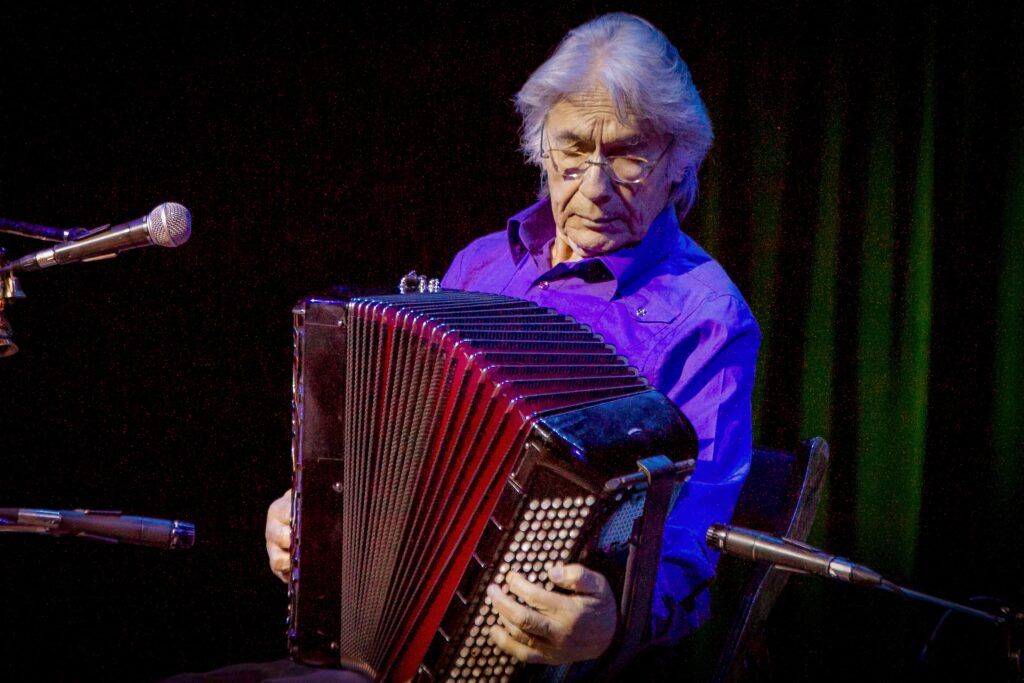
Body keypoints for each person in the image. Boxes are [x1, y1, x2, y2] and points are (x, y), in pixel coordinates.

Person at [265, 11, 759, 673]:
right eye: (573, 152)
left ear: (680, 163)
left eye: (629, 156)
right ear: (540, 147)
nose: (595, 187)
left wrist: (612, 616)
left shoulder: (707, 316)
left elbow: (695, 537)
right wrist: (318, 517)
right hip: (397, 639)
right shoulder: (480, 266)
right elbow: (401, 448)